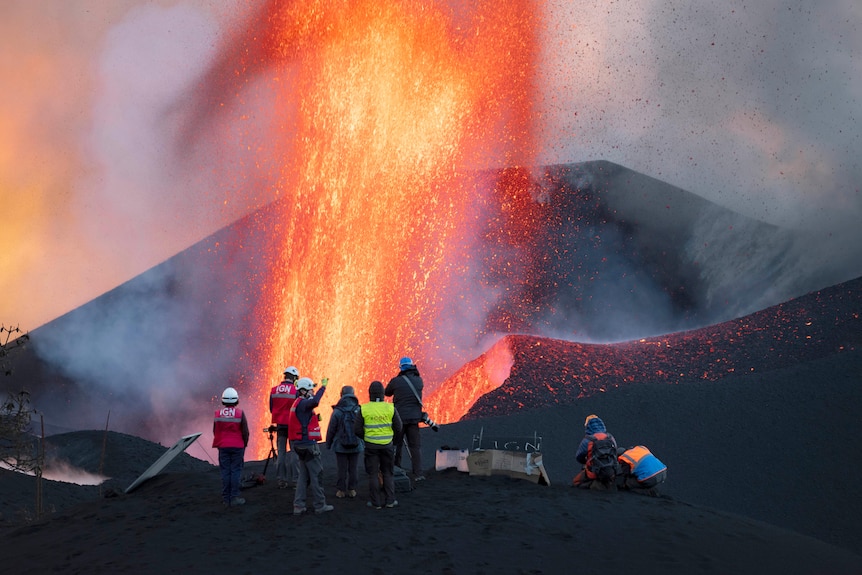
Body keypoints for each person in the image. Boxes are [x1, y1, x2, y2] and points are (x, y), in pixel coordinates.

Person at [288, 376, 333, 515]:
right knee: (317, 474)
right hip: (308, 446)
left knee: (303, 476)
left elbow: (303, 418)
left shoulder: (297, 403)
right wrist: (323, 387)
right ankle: (320, 505)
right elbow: (315, 402)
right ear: (302, 391)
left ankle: (299, 505)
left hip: (299, 445)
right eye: (310, 390)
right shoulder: (302, 403)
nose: (312, 392)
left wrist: (313, 419)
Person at [356, 380, 403, 509]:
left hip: (371, 446)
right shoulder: (390, 408)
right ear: (383, 394)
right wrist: (391, 438)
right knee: (388, 473)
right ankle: (390, 501)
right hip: (387, 445)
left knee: (373, 474)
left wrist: (367, 437)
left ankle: (375, 503)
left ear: (370, 393)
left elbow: (357, 429)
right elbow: (399, 427)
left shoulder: (364, 409)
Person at [385, 356, 425, 481]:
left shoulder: (396, 381)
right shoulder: (419, 380)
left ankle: (396, 469)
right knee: (415, 447)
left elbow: (387, 392)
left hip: (399, 419)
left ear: (401, 368)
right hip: (414, 419)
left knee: (397, 445)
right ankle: (418, 473)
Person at [212, 386, 250, 507]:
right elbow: (245, 432)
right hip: (237, 447)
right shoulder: (239, 413)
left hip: (223, 447)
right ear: (236, 400)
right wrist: (244, 444)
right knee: (235, 471)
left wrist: (220, 444)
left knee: (225, 471)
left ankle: (225, 498)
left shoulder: (218, 414)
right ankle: (234, 498)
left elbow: (215, 430)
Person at [325, 385, 363, 498]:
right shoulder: (358, 409)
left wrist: (329, 443)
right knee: (353, 468)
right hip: (356, 444)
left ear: (341, 395)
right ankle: (352, 490)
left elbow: (331, 429)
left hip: (340, 445)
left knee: (342, 468)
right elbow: (363, 427)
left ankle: (341, 491)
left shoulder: (337, 411)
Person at [270, 366, 300, 488]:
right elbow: (299, 408)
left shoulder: (274, 390)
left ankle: (281, 480)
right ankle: (296, 480)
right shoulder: (295, 390)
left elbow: (271, 408)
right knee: (294, 452)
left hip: (280, 425)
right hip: (293, 425)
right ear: (294, 378)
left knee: (281, 452)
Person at [572, 414, 620, 490]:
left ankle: (592, 486)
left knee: (576, 481)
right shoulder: (610, 438)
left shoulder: (588, 440)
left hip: (594, 472)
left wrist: (586, 461)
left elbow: (579, 457)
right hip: (611, 471)